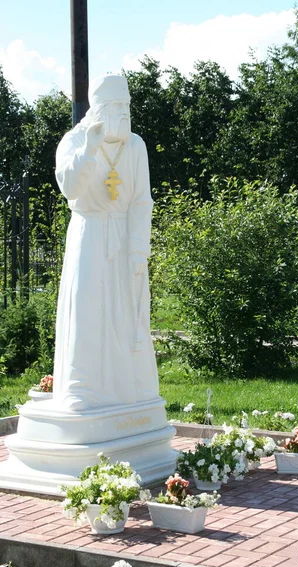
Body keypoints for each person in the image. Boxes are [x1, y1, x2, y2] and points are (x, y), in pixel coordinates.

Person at [54, 74, 158, 410]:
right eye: (114, 106)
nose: (123, 112)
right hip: (90, 233)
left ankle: (133, 389)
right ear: (97, 108)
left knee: (128, 312)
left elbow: (143, 200)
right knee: (88, 308)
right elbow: (70, 188)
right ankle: (81, 388)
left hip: (126, 237)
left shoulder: (136, 146)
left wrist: (140, 248)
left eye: (125, 105)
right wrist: (90, 148)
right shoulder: (74, 142)